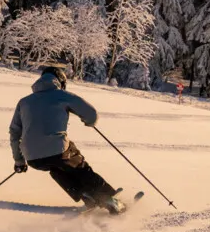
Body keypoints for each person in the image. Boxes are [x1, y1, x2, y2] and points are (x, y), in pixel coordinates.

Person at [9, 66, 125, 214]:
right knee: (78, 165)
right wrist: (88, 121)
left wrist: (19, 161)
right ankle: (109, 199)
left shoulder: (24, 102)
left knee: (56, 168)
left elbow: (14, 132)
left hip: (33, 158)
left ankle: (85, 195)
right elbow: (92, 114)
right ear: (60, 81)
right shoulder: (62, 95)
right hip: (57, 149)